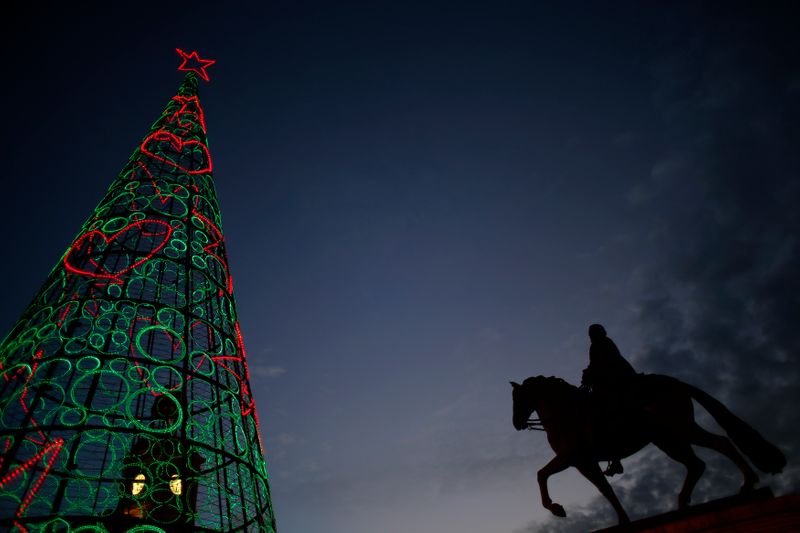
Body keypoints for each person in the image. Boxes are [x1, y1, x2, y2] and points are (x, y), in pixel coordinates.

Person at [581, 323, 637, 477]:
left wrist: (591, 373)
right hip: (607, 381)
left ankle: (614, 458)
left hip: (616, 381)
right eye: (590, 334)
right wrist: (588, 373)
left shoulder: (604, 343)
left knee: (602, 412)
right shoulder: (596, 346)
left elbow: (605, 363)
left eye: (593, 333)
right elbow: (595, 365)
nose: (591, 336)